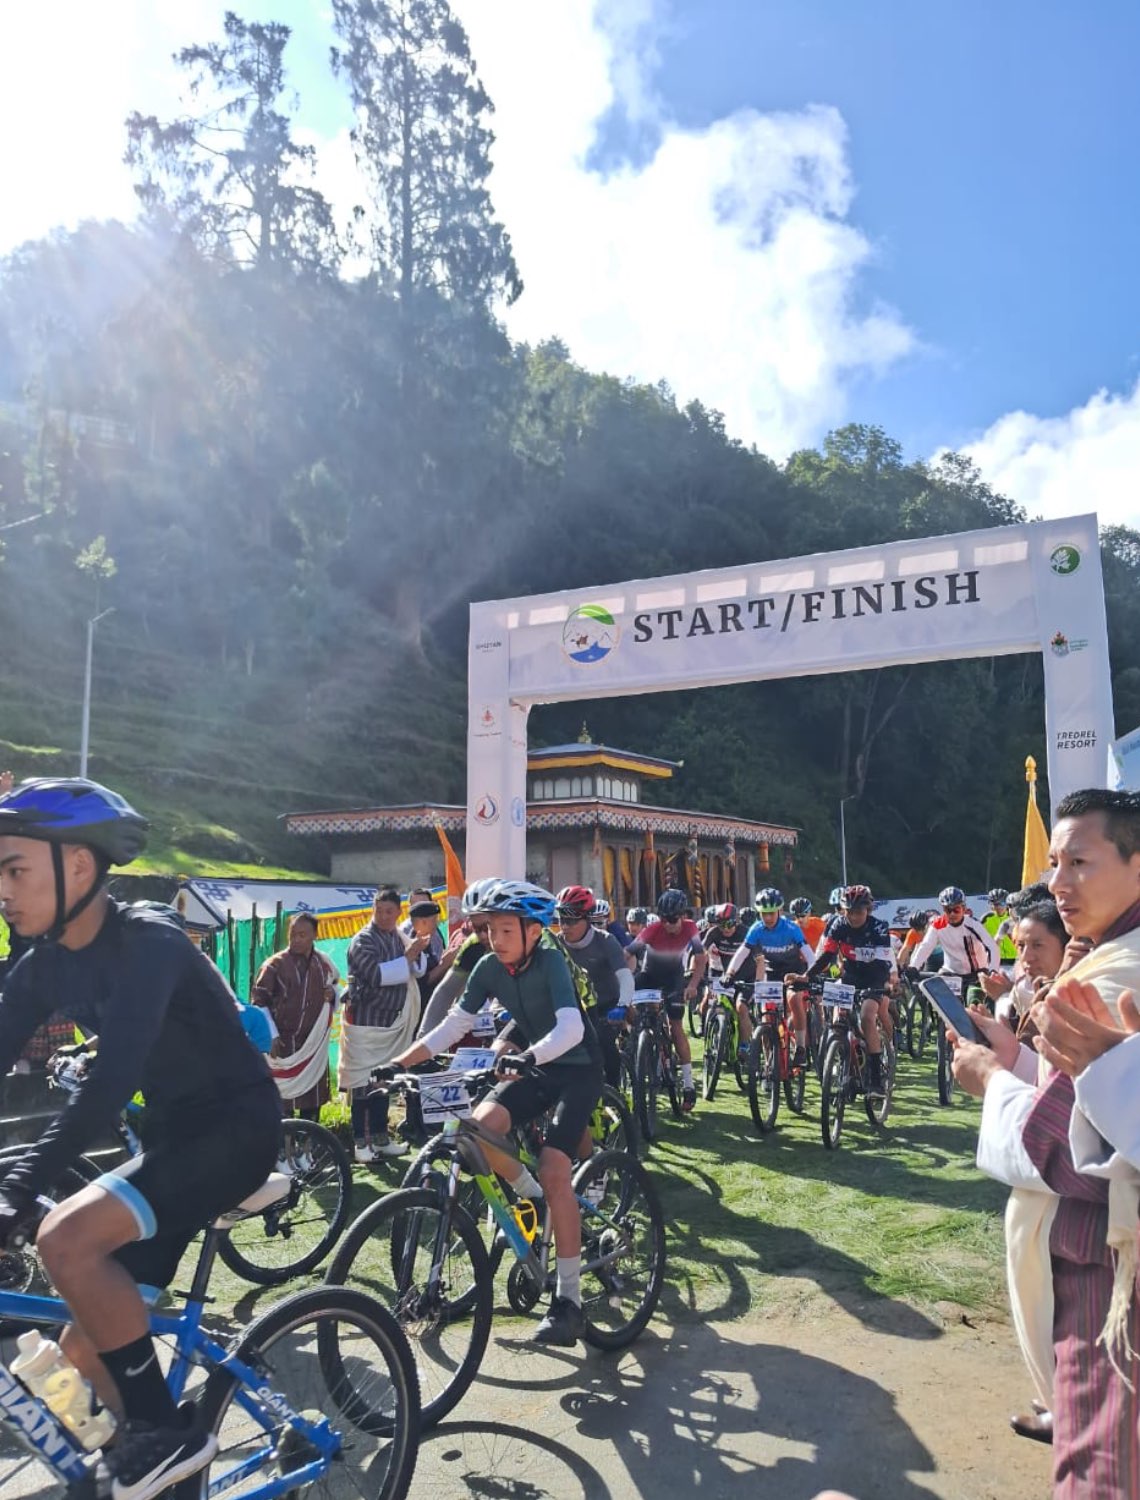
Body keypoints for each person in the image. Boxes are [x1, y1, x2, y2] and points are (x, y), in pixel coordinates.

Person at [0, 778, 280, 1500]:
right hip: (167, 1143)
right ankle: (144, 1474)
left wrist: (21, 1183)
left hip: (235, 1131)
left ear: (80, 867)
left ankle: (166, 1431)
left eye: (14, 869)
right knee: (73, 1369)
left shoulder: (150, 941)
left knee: (63, 1240)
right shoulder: (44, 964)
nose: (1, 888)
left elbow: (111, 1080)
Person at [951, 788, 1140, 1498]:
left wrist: (991, 1080)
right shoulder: (1105, 955)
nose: (1058, 883)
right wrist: (1020, 1062)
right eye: (1054, 862)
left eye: (1081, 863)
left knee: (1101, 1472)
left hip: (1107, 1264)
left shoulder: (1119, 972)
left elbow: (1057, 1144)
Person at [391, 879, 604, 1346]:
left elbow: (569, 1027)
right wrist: (398, 1063)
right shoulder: (489, 966)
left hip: (578, 1068)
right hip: (533, 1065)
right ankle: (533, 1197)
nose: (495, 939)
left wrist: (526, 1056)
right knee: (479, 1130)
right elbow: (455, 1024)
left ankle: (569, 1301)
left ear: (533, 931)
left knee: (554, 1168)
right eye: (490, 930)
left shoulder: (551, 962)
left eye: (507, 930)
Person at [341, 888, 427, 1161]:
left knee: (383, 1082)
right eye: (379, 910)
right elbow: (375, 975)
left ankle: (380, 1137)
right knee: (362, 1081)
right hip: (366, 1021)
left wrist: (413, 954)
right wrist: (409, 957)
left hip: (392, 1021)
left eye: (389, 911)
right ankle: (360, 1142)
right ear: (373, 910)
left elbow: (418, 969)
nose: (384, 916)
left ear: (398, 913)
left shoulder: (399, 937)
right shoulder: (362, 940)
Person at [803, 884, 894, 1093]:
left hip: (874, 977)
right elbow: (827, 955)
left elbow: (884, 962)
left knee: (867, 1017)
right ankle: (844, 1062)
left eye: (858, 912)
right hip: (850, 975)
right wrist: (806, 976)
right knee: (838, 1019)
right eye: (849, 912)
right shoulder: (838, 925)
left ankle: (875, 1076)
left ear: (868, 910)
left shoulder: (879, 927)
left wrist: (887, 984)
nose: (853, 917)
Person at [251, 912, 339, 1121]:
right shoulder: (274, 965)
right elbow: (259, 1001)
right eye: (292, 935)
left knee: (313, 1102)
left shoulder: (323, 964)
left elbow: (336, 985)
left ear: (314, 936)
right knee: (283, 1103)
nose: (296, 940)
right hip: (282, 1044)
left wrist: (332, 994)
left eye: (302, 935)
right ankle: (284, 1150)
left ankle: (307, 1150)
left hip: (313, 1045)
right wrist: (270, 1035)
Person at [626, 888, 707, 1111]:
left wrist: (692, 986)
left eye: (672, 919)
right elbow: (628, 953)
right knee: (626, 1006)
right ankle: (639, 1044)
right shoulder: (653, 929)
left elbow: (701, 959)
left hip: (674, 978)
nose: (668, 924)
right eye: (664, 918)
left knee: (676, 1027)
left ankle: (689, 1085)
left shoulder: (690, 928)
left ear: (682, 916)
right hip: (649, 975)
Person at [554, 885, 634, 1088]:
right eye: (562, 920)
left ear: (587, 919)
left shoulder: (606, 941)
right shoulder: (556, 943)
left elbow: (625, 977)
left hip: (607, 1006)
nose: (565, 926)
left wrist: (623, 1005)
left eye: (571, 921)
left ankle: (613, 1093)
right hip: (573, 1007)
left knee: (605, 1046)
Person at [725, 889, 813, 1063]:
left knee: (795, 1000)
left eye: (771, 913)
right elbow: (742, 952)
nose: (768, 918)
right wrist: (730, 972)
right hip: (771, 973)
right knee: (766, 1019)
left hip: (792, 972)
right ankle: (768, 1064)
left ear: (779, 911)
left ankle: (801, 1048)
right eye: (764, 914)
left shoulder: (791, 928)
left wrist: (809, 975)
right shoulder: (756, 929)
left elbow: (809, 954)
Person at [907, 885, 999, 994]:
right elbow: (926, 946)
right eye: (948, 910)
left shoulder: (973, 924)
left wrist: (993, 970)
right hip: (951, 972)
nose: (952, 914)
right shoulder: (937, 925)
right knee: (942, 1002)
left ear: (963, 908)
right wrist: (914, 966)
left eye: (956, 909)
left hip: (977, 972)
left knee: (973, 999)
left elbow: (992, 947)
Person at [984, 887, 1020, 966]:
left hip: (1015, 959)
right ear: (990, 905)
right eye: (995, 904)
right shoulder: (986, 919)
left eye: (1002, 903)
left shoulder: (1013, 918)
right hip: (996, 960)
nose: (999, 907)